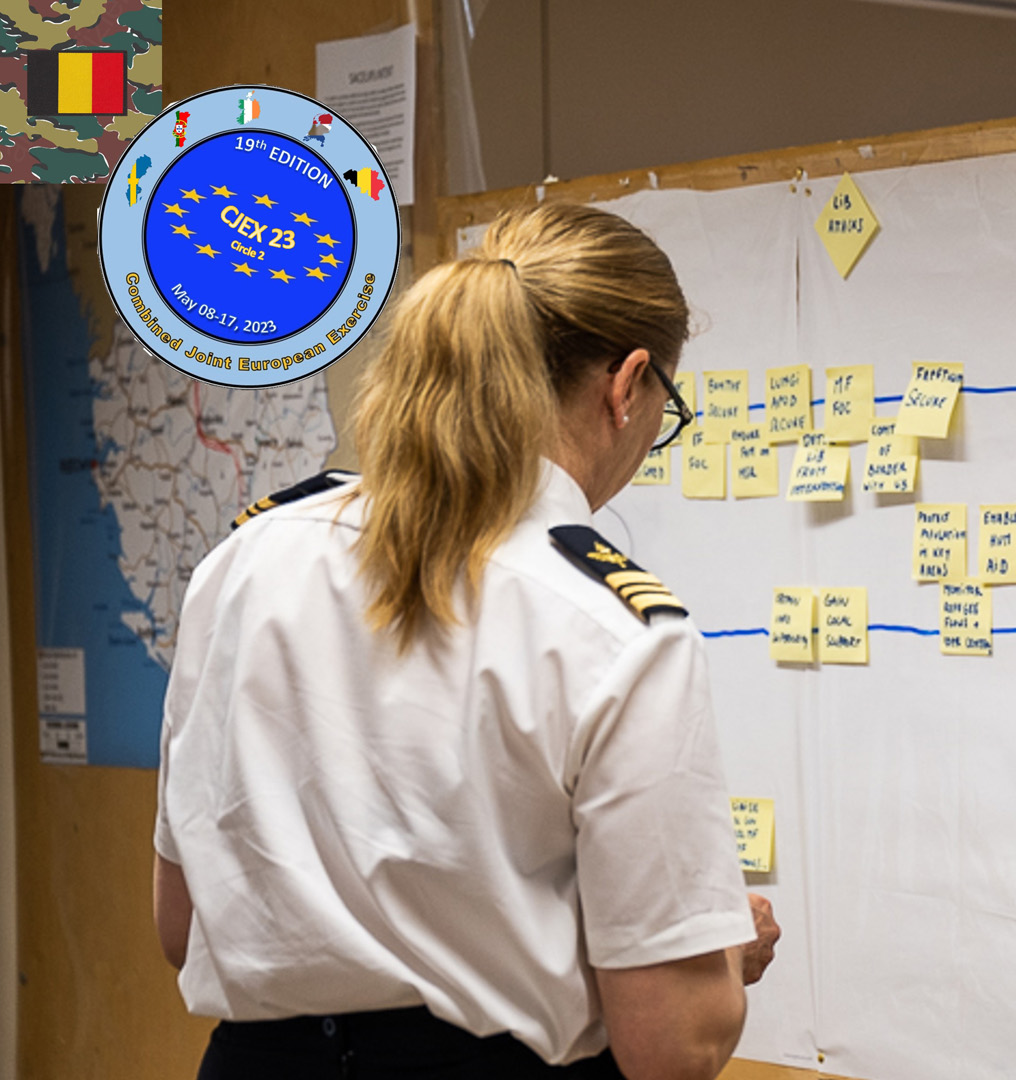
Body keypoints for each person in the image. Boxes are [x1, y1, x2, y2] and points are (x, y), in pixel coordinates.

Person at [152, 201, 780, 1078]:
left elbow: (181, 928)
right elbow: (670, 1046)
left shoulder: (245, 562)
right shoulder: (614, 628)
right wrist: (712, 954)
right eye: (664, 406)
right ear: (627, 385)